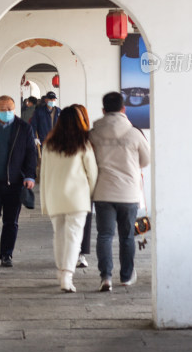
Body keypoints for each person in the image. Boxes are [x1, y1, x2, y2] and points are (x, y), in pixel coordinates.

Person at [90, 91, 150, 292]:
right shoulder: (134, 133)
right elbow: (146, 161)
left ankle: (105, 277)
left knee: (104, 235)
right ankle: (126, 276)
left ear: (103, 110)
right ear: (124, 109)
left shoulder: (93, 133)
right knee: (127, 236)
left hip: (103, 191)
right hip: (128, 193)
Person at [40, 106, 98, 293]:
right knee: (74, 236)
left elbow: (45, 174)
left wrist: (45, 201)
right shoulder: (83, 143)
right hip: (77, 198)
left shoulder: (49, 144)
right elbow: (92, 173)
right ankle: (67, 274)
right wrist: (89, 193)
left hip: (55, 196)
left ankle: (61, 270)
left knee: (59, 234)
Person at [0, 95, 37, 268]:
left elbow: (31, 153)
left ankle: (6, 254)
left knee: (10, 220)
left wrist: (29, 176)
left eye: (9, 109)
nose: (6, 112)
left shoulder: (23, 128)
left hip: (14, 182)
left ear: (14, 109)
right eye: (3, 109)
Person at [72, 104, 93, 269]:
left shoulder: (90, 138)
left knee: (84, 221)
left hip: (84, 187)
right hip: (67, 187)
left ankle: (81, 254)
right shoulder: (60, 138)